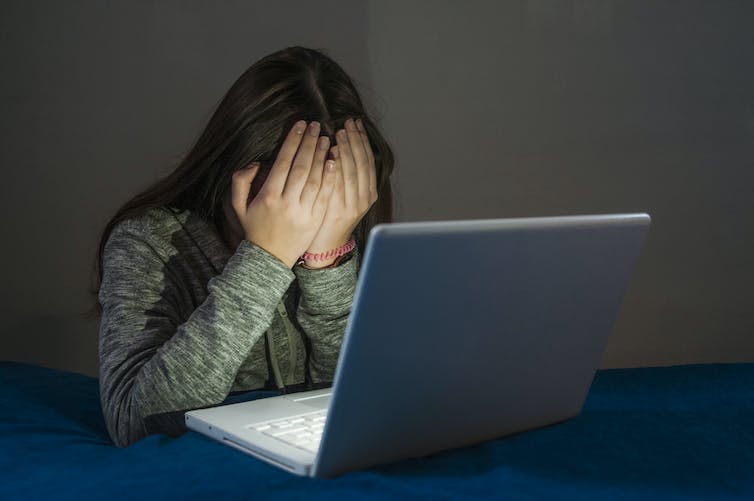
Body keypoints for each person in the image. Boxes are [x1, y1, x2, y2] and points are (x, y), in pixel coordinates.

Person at [86, 46, 395, 447]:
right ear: (235, 168)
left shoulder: (345, 224)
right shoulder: (147, 242)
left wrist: (327, 265)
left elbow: (360, 400)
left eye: (331, 192)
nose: (315, 211)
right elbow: (134, 423)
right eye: (292, 191)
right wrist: (265, 259)